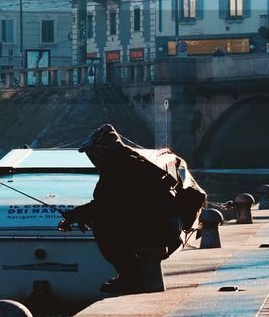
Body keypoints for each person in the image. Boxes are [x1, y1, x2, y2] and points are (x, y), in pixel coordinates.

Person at [58, 124, 194, 295]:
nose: (91, 158)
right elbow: (116, 204)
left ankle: (130, 277)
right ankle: (131, 275)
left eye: (91, 153)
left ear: (102, 151)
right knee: (104, 220)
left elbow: (107, 205)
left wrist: (75, 215)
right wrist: (80, 215)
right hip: (165, 223)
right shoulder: (129, 161)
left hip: (160, 228)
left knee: (102, 225)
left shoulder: (120, 168)